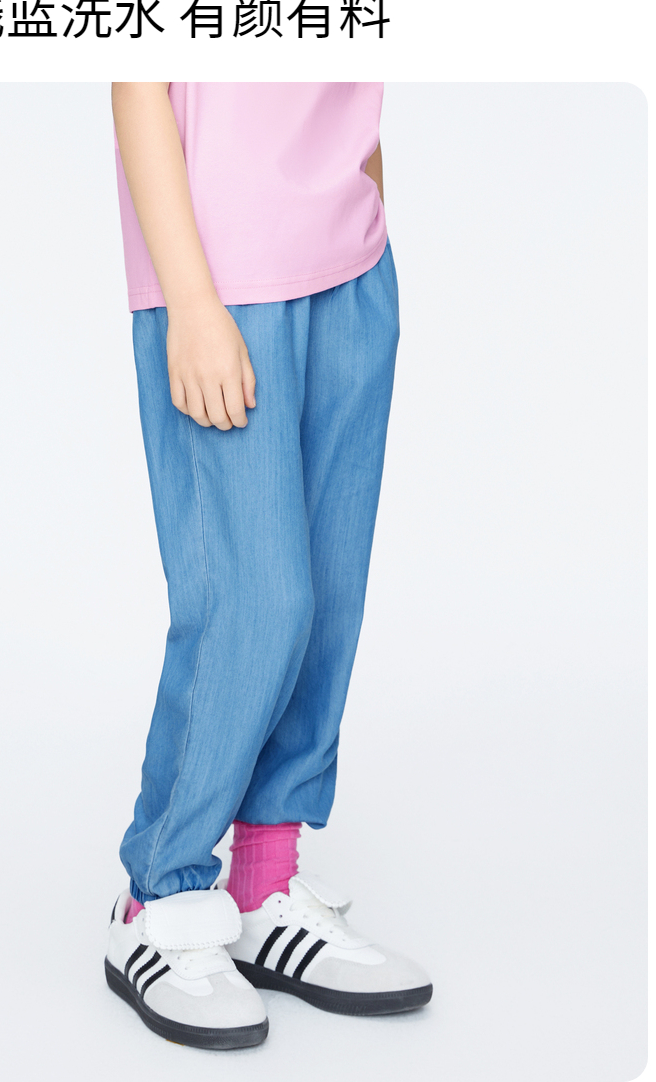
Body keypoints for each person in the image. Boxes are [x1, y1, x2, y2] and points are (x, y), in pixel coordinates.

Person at [104, 82, 432, 1051]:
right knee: (254, 602)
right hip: (222, 277)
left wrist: (372, 216)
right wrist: (188, 301)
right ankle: (158, 894)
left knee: (327, 599)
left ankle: (264, 882)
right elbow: (137, 79)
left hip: (352, 267)